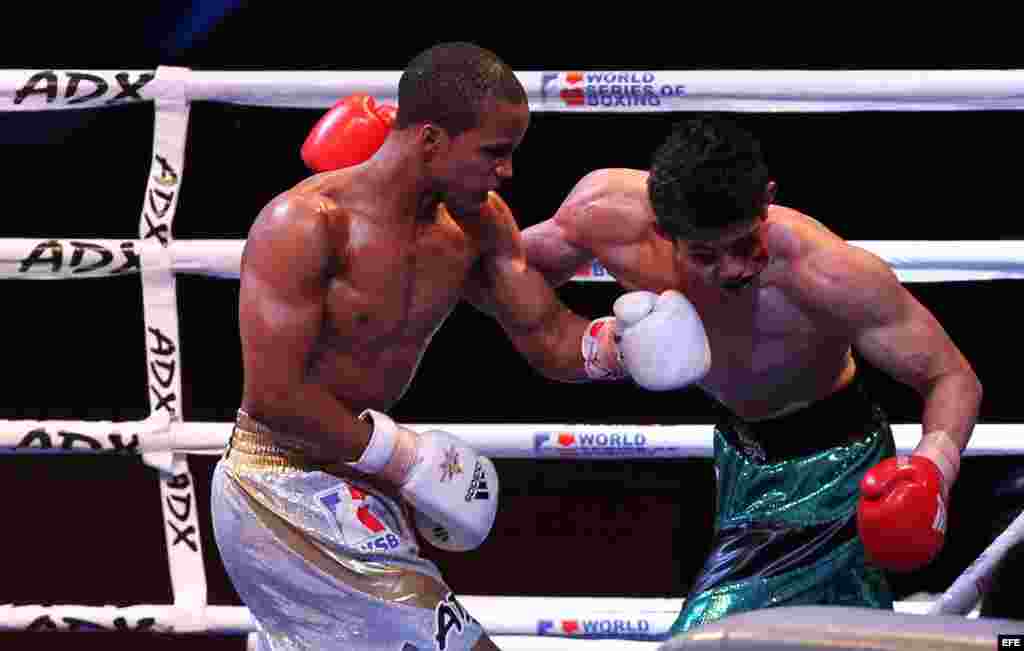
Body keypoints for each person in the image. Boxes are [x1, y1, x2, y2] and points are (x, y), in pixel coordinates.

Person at [210, 42, 708, 651]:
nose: (506, 172)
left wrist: (624, 346)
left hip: (362, 482)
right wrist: (405, 457)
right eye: (493, 153)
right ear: (430, 139)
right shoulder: (306, 224)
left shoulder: (477, 223)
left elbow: (549, 336)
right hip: (280, 484)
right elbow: (274, 395)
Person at [519, 116, 983, 633]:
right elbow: (505, 272)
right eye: (705, 255)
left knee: (708, 640)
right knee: (840, 642)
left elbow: (952, 376)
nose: (734, 268)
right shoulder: (602, 215)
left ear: (767, 198)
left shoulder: (826, 270)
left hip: (834, 469)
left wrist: (932, 469)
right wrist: (602, 343)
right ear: (663, 231)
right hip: (737, 460)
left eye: (746, 244)